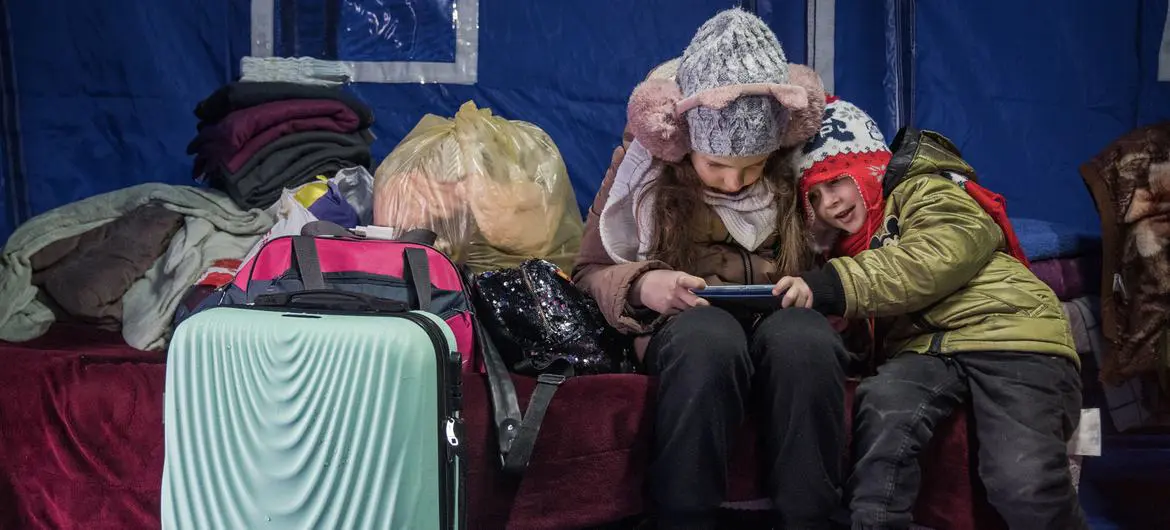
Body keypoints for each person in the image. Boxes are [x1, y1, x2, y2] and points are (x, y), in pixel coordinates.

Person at [573, 8, 851, 529]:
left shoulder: (801, 168)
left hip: (781, 317)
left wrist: (816, 289)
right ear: (683, 147)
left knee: (805, 340)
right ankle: (684, 515)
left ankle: (810, 515)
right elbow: (588, 272)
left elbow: (847, 266)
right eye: (716, 166)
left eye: (752, 167)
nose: (733, 183)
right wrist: (642, 284)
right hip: (684, 323)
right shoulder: (642, 171)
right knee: (708, 337)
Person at [774, 98, 1088, 530]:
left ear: (869, 167)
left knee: (1022, 482)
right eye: (815, 195)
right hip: (926, 351)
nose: (830, 203)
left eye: (836, 182)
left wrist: (835, 285)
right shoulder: (851, 248)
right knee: (882, 424)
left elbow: (936, 257)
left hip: (1009, 334)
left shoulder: (928, 190)